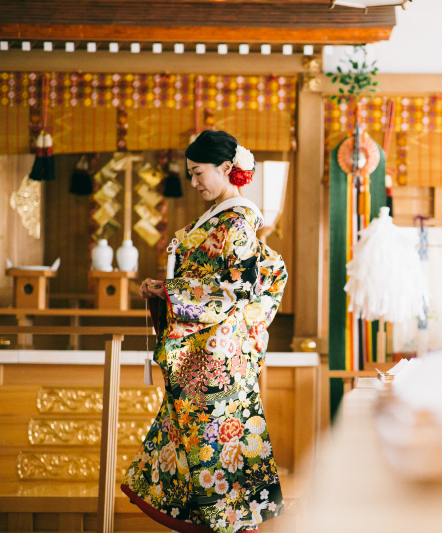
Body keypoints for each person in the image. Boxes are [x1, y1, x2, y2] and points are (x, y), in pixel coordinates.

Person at [121, 130, 287, 533]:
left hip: (217, 360)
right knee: (197, 445)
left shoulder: (239, 221)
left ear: (227, 168)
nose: (193, 182)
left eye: (198, 173)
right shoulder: (219, 220)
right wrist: (164, 292)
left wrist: (172, 292)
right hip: (204, 355)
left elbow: (238, 288)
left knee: (216, 449)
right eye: (191, 173)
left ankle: (232, 527)